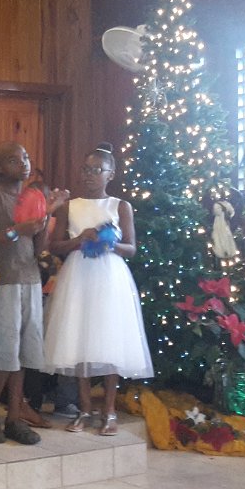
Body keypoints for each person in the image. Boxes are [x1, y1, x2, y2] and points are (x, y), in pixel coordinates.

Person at [43, 143, 154, 434]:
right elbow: (55, 246)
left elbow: (131, 248)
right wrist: (79, 239)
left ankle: (109, 410)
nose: (89, 175)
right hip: (78, 276)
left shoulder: (120, 206)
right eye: (85, 169)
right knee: (79, 338)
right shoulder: (70, 206)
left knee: (109, 339)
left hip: (110, 277)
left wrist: (110, 243)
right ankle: (84, 408)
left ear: (110, 174)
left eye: (96, 170)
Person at [0, 142, 68, 445]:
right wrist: (16, 231)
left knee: (25, 350)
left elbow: (37, 249)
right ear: (0, 167)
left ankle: (14, 417)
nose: (23, 163)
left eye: (25, 157)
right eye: (14, 160)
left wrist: (45, 220)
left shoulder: (32, 197)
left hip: (30, 280)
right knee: (5, 349)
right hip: (3, 281)